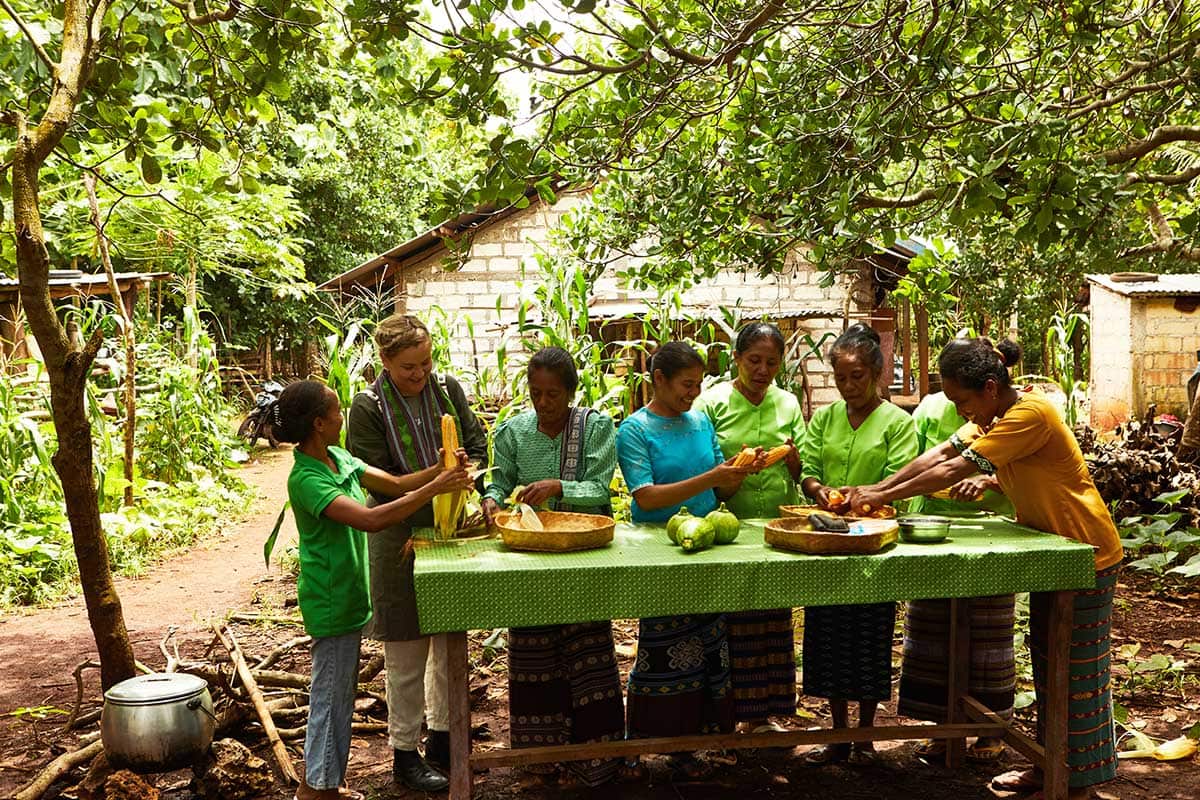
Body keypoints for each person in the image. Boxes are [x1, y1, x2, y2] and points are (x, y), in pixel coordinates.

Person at [846, 337, 1123, 800]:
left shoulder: (1030, 414)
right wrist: (879, 487)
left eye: (962, 401)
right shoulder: (995, 415)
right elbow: (939, 454)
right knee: (1049, 664)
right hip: (1055, 556)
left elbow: (952, 469)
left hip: (1087, 553)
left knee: (1076, 673)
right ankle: (1050, 767)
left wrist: (881, 496)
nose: (960, 412)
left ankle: (1076, 784)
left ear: (990, 387)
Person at [274, 380, 471, 800]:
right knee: (330, 697)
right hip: (330, 600)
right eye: (336, 411)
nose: (342, 417)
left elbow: (395, 485)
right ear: (319, 423)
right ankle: (316, 791)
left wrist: (441, 468)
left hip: (350, 598)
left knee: (339, 695)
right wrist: (436, 487)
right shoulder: (306, 479)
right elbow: (371, 519)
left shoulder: (338, 458)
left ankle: (323, 783)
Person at [345, 314, 489, 792]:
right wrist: (438, 476)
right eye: (409, 367)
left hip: (450, 531)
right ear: (385, 362)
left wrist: (470, 471)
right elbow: (380, 483)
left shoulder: (448, 390)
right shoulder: (366, 408)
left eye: (426, 362)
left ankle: (445, 740)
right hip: (396, 535)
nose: (421, 373)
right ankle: (405, 753)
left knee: (449, 643)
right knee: (406, 650)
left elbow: (476, 443)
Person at [480, 347, 624, 786]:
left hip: (582, 553)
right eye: (535, 393)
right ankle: (539, 759)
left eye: (553, 395)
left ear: (571, 392)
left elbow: (600, 487)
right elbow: (499, 480)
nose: (543, 403)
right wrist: (491, 499)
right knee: (533, 651)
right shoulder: (513, 432)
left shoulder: (595, 428)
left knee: (588, 650)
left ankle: (596, 759)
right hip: (530, 555)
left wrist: (559, 486)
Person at [615, 341, 757, 778]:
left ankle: (701, 742)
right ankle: (646, 740)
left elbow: (720, 488)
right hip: (659, 550)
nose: (693, 393)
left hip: (707, 546)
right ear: (659, 379)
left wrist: (738, 473)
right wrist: (712, 476)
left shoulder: (701, 421)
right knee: (661, 648)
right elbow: (645, 496)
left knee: (711, 646)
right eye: (686, 384)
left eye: (698, 385)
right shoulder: (635, 429)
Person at [798, 323, 918, 765]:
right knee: (829, 636)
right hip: (828, 542)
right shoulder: (826, 418)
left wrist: (865, 497)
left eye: (857, 376)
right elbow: (808, 466)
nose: (848, 386)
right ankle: (838, 734)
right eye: (841, 377)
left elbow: (900, 478)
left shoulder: (897, 423)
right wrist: (818, 490)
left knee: (869, 636)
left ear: (878, 374)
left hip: (872, 544)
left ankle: (865, 736)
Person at [693, 322, 803, 732]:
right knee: (731, 623)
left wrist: (791, 457)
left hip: (775, 528)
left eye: (771, 362)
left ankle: (762, 717)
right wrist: (735, 469)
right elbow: (703, 465)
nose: (762, 370)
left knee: (772, 622)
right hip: (726, 527)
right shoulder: (711, 403)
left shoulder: (787, 403)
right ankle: (727, 716)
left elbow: (802, 466)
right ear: (736, 358)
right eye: (754, 360)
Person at [900, 388, 1017, 763]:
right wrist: (886, 492)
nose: (960, 407)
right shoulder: (934, 408)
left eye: (964, 399)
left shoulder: (1014, 415)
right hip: (934, 527)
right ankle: (942, 727)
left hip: (993, 529)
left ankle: (989, 729)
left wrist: (988, 480)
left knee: (989, 633)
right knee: (933, 630)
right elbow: (929, 458)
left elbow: (1018, 469)